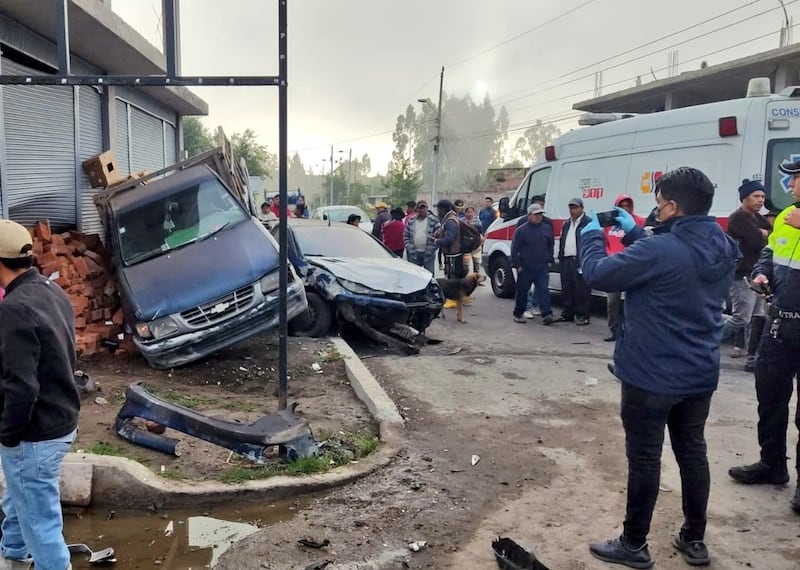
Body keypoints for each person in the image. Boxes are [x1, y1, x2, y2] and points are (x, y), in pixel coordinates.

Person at [580, 167, 739, 568]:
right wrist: (634, 232)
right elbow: (676, 260)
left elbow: (599, 274)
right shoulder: (724, 244)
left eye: (659, 203)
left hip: (650, 376)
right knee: (693, 454)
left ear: (671, 206)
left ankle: (634, 545)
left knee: (646, 459)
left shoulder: (660, 250)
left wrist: (593, 237)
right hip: (700, 372)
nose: (656, 209)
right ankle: (694, 539)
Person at [0, 220, 81, 569]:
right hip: (61, 418)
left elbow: (21, 387)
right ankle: (13, 555)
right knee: (20, 500)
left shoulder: (14, 309)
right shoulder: (50, 290)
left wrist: (7, 434)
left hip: (34, 433)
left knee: (40, 522)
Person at [728, 159, 800, 517]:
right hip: (779, 325)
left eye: (797, 178)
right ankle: (772, 464)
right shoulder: (787, 214)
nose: (790, 185)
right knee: (769, 397)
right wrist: (759, 273)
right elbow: (770, 252)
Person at [723, 179, 770, 365]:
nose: (760, 200)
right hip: (742, 274)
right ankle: (708, 337)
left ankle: (752, 357)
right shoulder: (738, 217)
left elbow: (770, 233)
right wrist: (762, 234)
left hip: (757, 273)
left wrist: (763, 232)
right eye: (756, 196)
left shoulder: (757, 218)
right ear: (744, 198)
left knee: (758, 317)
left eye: (763, 196)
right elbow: (757, 241)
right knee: (741, 318)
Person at [603, 194, 645, 342]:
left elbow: (642, 240)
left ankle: (631, 331)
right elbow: (605, 243)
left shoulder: (638, 221)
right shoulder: (609, 224)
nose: (625, 208)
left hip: (631, 264)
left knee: (632, 300)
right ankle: (613, 330)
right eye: (622, 206)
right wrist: (608, 255)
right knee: (612, 301)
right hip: (614, 265)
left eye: (628, 205)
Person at [511, 204, 555, 325]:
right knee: (523, 291)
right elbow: (515, 249)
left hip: (542, 266)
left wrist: (550, 260)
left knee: (544, 290)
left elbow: (550, 245)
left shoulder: (547, 229)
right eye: (536, 214)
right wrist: (517, 265)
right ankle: (518, 313)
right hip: (525, 267)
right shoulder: (521, 230)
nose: (538, 217)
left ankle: (547, 314)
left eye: (540, 214)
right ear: (529, 215)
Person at [558, 197, 592, 325]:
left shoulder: (587, 222)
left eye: (575, 207)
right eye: (571, 208)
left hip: (580, 260)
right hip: (566, 260)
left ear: (582, 208)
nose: (572, 210)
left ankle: (583, 315)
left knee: (581, 289)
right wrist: (561, 257)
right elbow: (562, 240)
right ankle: (568, 313)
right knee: (567, 287)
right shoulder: (567, 223)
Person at [434, 200, 465, 309]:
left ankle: (453, 300)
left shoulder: (450, 221)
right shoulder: (449, 219)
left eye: (438, 209)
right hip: (453, 253)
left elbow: (449, 239)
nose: (437, 212)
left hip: (453, 254)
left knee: (452, 278)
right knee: (454, 277)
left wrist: (437, 241)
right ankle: (459, 298)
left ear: (443, 209)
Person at [403, 200, 440, 274]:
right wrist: (409, 247)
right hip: (414, 253)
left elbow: (439, 236)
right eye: (420, 208)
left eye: (424, 208)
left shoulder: (434, 220)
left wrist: (433, 248)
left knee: (429, 275)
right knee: (415, 275)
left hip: (429, 253)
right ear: (416, 209)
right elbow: (405, 236)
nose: (422, 210)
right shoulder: (411, 221)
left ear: (427, 208)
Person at [462, 206, 484, 276]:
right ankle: (465, 279)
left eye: (471, 212)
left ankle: (477, 279)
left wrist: (481, 238)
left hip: (476, 245)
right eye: (468, 212)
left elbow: (480, 232)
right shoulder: (461, 221)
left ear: (474, 213)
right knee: (466, 266)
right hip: (465, 246)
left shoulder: (477, 221)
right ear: (465, 213)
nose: (470, 214)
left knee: (477, 264)